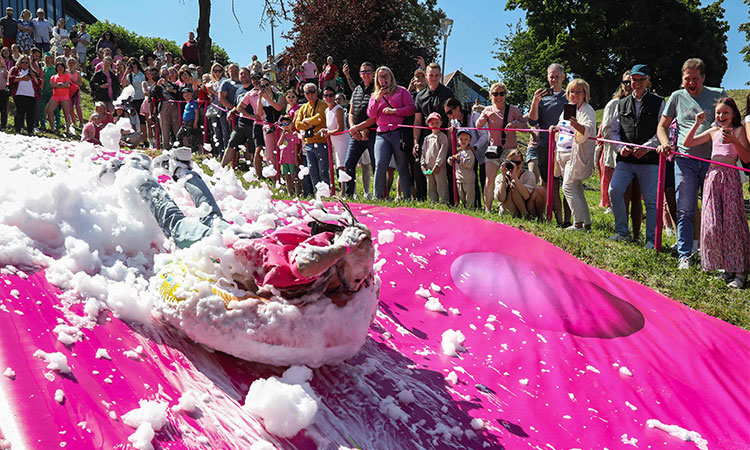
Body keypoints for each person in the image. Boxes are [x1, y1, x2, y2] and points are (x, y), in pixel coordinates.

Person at [99, 152, 375, 303]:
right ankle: (138, 172)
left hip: (243, 240)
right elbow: (304, 266)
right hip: (223, 246)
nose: (363, 282)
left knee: (211, 215)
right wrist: (343, 246)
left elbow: (359, 275)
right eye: (361, 275)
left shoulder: (345, 270)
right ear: (339, 259)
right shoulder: (318, 258)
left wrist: (354, 256)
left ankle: (182, 169)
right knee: (176, 224)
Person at [656, 58, 728, 269]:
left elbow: (730, 122)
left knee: (713, 210)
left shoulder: (718, 94)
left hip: (711, 161)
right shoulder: (677, 97)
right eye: (687, 79)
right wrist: (665, 143)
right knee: (685, 208)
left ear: (703, 78)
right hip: (684, 160)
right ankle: (684, 254)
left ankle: (713, 256)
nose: (691, 83)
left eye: (695, 78)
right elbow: (662, 126)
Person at [682, 98, 750, 288]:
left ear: (734, 114)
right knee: (712, 223)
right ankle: (723, 267)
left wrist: (735, 140)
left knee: (732, 223)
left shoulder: (739, 131)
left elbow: (746, 158)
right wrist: (696, 123)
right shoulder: (713, 131)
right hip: (712, 177)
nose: (721, 116)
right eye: (718, 113)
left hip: (730, 178)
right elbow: (688, 143)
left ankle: (739, 272)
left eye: (725, 112)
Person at [607, 64, 665, 249]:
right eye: (633, 79)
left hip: (649, 160)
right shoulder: (620, 103)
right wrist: (620, 147)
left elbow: (661, 131)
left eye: (641, 79)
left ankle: (651, 240)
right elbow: (614, 131)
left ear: (648, 81)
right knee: (614, 190)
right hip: (626, 159)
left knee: (651, 200)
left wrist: (647, 148)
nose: (636, 83)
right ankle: (622, 232)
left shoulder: (658, 102)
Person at [550, 78, 596, 231]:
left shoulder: (586, 109)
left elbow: (587, 129)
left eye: (579, 91)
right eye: (572, 91)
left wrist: (577, 125)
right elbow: (563, 127)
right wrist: (555, 127)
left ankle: (577, 223)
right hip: (562, 152)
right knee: (576, 188)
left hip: (574, 154)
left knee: (568, 188)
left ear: (585, 94)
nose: (575, 94)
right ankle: (586, 223)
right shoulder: (568, 108)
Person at [528, 63, 569, 225]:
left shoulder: (570, 96)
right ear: (547, 77)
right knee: (550, 184)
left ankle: (569, 220)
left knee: (567, 184)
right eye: (551, 76)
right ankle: (557, 219)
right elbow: (532, 121)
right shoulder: (542, 97)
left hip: (566, 146)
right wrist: (534, 102)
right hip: (545, 146)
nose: (554, 80)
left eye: (557, 76)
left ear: (564, 77)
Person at [475, 82, 525, 212]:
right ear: (491, 95)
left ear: (506, 95)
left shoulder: (513, 109)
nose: (498, 96)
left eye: (501, 93)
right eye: (495, 94)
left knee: (512, 179)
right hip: (493, 149)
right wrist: (485, 116)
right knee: (489, 179)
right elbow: (478, 126)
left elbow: (525, 127)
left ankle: (514, 208)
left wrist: (515, 124)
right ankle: (487, 209)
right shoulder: (487, 110)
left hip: (510, 151)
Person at [368, 66, 415, 200]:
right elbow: (371, 114)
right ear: (377, 79)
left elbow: (411, 108)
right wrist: (378, 99)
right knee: (380, 164)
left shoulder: (401, 91)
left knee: (402, 166)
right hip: (381, 134)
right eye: (380, 77)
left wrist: (395, 111)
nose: (383, 79)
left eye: (386, 76)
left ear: (391, 77)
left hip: (398, 132)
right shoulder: (374, 95)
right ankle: (377, 196)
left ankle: (407, 197)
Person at [413, 62, 454, 200]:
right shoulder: (420, 96)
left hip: (442, 136)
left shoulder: (447, 93)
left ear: (440, 76)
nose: (433, 78)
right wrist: (415, 142)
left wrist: (449, 142)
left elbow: (450, 119)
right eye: (431, 75)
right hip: (426, 137)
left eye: (436, 75)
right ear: (426, 75)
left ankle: (449, 200)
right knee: (420, 165)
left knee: (445, 168)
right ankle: (422, 199)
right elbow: (418, 121)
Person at [597, 71, 631, 212]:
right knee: (613, 179)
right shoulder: (614, 104)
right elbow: (606, 129)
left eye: (632, 81)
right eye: (626, 82)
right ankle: (612, 205)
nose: (629, 85)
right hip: (614, 148)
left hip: (633, 150)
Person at [343, 61, 377, 197]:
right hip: (356, 134)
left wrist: (359, 127)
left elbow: (375, 116)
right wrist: (353, 129)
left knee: (376, 165)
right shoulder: (357, 89)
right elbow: (351, 112)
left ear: (373, 73)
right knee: (348, 164)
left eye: (368, 72)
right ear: (360, 74)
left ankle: (378, 194)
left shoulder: (377, 89)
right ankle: (349, 194)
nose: (366, 74)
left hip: (372, 132)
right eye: (363, 72)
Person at [295, 83, 330, 188]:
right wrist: (310, 124)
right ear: (304, 94)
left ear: (317, 92)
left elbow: (319, 118)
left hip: (321, 142)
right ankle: (318, 193)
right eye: (307, 92)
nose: (310, 94)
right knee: (313, 172)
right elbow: (297, 124)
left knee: (323, 171)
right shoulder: (303, 107)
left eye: (312, 92)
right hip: (309, 143)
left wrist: (305, 121)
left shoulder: (323, 105)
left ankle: (327, 193)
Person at [495, 149, 546, 218]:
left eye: (517, 163)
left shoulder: (529, 175)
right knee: (512, 186)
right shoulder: (500, 177)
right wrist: (503, 176)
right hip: (510, 209)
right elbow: (501, 198)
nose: (515, 165)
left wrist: (515, 178)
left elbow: (526, 196)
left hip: (527, 206)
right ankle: (524, 215)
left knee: (541, 190)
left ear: (522, 163)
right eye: (512, 162)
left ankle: (538, 217)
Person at [222, 67, 256, 168]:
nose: (243, 75)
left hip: (253, 124)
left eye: (245, 74)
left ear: (249, 76)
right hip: (241, 123)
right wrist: (231, 112)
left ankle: (254, 170)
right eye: (241, 74)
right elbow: (237, 106)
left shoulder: (254, 89)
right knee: (231, 144)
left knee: (252, 149)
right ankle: (222, 168)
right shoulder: (238, 91)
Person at [319, 86, 348, 193]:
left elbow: (340, 128)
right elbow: (331, 127)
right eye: (326, 95)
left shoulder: (338, 109)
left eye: (331, 95)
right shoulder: (327, 110)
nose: (328, 98)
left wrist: (328, 132)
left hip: (342, 139)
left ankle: (344, 191)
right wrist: (326, 130)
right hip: (334, 140)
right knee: (338, 164)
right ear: (323, 97)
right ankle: (342, 189)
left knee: (342, 165)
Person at [257, 75, 285, 175]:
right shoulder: (261, 97)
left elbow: (278, 107)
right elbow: (259, 113)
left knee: (282, 150)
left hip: (280, 124)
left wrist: (267, 98)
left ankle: (283, 173)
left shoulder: (279, 95)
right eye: (262, 86)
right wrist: (260, 98)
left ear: (270, 84)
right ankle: (273, 175)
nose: (265, 87)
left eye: (267, 85)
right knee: (270, 152)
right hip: (268, 124)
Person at [421, 111, 449, 203]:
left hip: (439, 167)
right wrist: (422, 164)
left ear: (441, 123)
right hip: (428, 166)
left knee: (441, 185)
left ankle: (444, 201)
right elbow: (423, 152)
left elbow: (443, 151)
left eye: (437, 122)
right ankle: (433, 202)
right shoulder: (427, 138)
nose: (435, 125)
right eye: (432, 123)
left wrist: (438, 164)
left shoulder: (442, 137)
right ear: (428, 124)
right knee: (430, 186)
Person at [8, 55, 39, 135]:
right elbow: (11, 79)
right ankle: (18, 130)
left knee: (30, 113)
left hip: (31, 95)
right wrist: (21, 78)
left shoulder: (32, 71)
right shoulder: (15, 69)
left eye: (26, 62)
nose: (24, 64)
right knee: (20, 112)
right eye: (23, 62)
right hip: (19, 94)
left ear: (29, 63)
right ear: (19, 62)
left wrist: (33, 77)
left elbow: (39, 82)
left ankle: (30, 130)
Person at [447, 130, 477, 208]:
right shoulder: (458, 151)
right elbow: (450, 163)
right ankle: (464, 208)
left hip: (468, 179)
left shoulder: (469, 152)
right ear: (458, 140)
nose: (463, 141)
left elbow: (469, 164)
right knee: (462, 196)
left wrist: (460, 159)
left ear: (470, 140)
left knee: (469, 197)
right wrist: (451, 159)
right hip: (459, 179)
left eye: (466, 139)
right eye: (461, 139)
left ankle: (471, 209)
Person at [277, 115, 302, 197]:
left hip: (291, 159)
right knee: (286, 176)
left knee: (293, 176)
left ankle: (298, 192)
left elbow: (295, 148)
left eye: (287, 123)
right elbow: (279, 144)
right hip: (284, 159)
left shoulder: (294, 135)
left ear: (292, 124)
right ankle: (290, 193)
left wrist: (295, 159)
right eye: (283, 124)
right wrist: (283, 135)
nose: (286, 126)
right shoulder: (283, 135)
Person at [46, 61, 73, 134]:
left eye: (61, 67)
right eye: (58, 67)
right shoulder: (53, 77)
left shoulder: (66, 76)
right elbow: (52, 85)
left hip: (64, 96)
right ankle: (52, 128)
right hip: (55, 96)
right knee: (49, 110)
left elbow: (66, 85)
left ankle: (67, 129)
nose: (60, 68)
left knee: (66, 113)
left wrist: (57, 85)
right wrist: (60, 84)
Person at [176, 86, 200, 152]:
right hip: (185, 123)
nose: (187, 97)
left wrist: (195, 123)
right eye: (185, 96)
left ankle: (194, 151)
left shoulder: (194, 103)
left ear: (192, 94)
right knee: (179, 135)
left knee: (191, 138)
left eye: (188, 95)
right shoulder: (187, 104)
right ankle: (180, 149)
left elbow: (196, 113)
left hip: (191, 122)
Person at [67, 58, 83, 128]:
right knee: (70, 107)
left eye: (73, 63)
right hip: (68, 91)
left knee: (77, 106)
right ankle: (73, 121)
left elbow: (80, 83)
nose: (71, 64)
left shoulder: (78, 73)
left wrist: (73, 81)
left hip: (76, 91)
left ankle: (81, 121)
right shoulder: (66, 72)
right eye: (70, 63)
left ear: (75, 64)